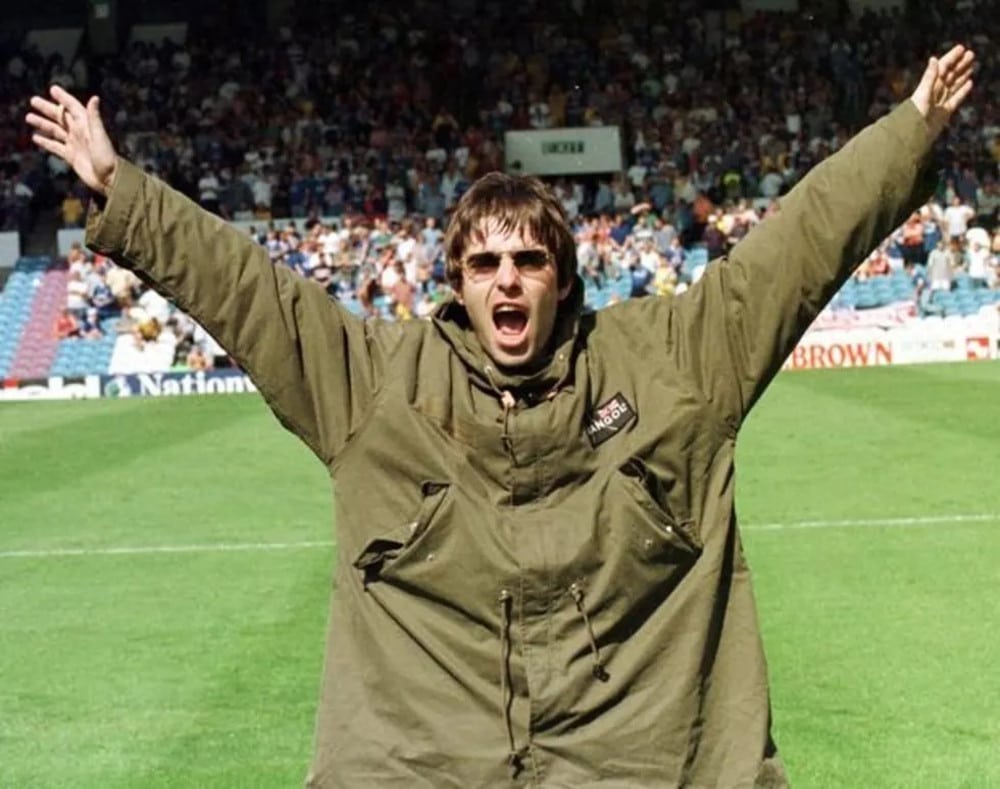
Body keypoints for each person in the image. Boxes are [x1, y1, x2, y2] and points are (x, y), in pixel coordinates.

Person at [26, 45, 975, 788]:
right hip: (422, 764)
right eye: (485, 264)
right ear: (458, 283)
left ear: (563, 278)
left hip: (637, 760)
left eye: (529, 261)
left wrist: (911, 132)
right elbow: (250, 295)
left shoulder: (671, 363)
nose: (507, 280)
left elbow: (795, 251)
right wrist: (122, 191)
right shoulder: (377, 384)